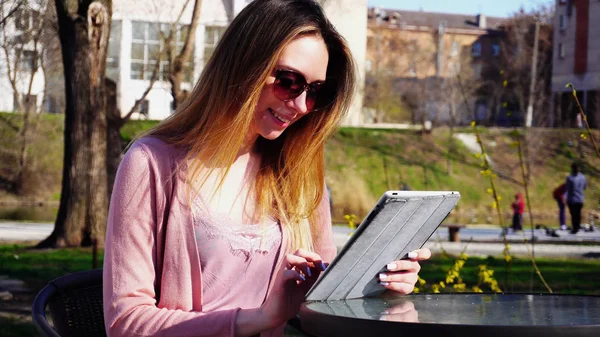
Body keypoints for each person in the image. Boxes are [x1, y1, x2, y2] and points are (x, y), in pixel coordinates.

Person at [102, 1, 430, 336]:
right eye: (289, 81)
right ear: (244, 66)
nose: (302, 105)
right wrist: (259, 318)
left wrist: (378, 288)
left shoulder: (297, 171)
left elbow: (318, 309)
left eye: (316, 90)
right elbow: (124, 323)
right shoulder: (152, 163)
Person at [566, 162, 586, 234]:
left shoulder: (570, 178)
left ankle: (575, 228)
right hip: (580, 198)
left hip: (572, 199)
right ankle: (577, 227)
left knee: (574, 215)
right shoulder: (583, 177)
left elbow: (568, 189)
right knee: (578, 214)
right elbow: (584, 187)